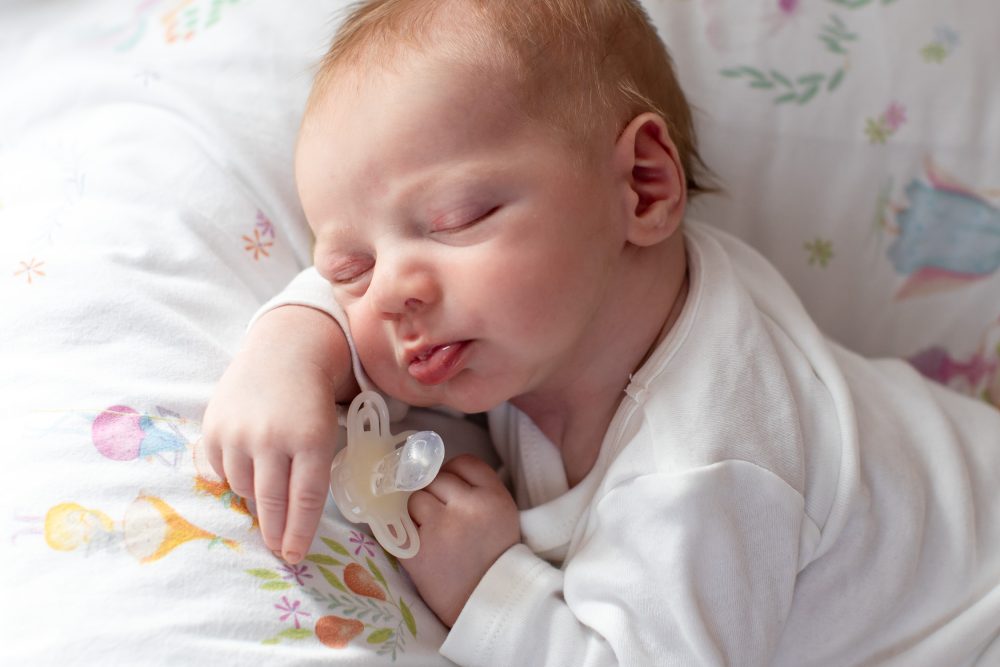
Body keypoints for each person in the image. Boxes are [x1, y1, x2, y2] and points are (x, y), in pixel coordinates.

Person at [202, 0, 1000, 663]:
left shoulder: (705, 463)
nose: (391, 295)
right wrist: (290, 351)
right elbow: (356, 316)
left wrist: (486, 585)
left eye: (457, 218)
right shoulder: (558, 314)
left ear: (643, 187)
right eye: (351, 265)